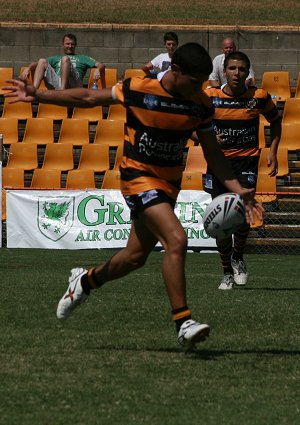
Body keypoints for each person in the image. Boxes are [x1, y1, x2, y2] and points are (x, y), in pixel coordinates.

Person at [3, 43, 263, 352]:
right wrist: (41, 95)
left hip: (168, 185)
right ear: (175, 72)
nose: (200, 87)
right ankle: (183, 323)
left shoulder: (200, 104)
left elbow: (213, 153)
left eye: (203, 81)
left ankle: (85, 281)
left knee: (135, 257)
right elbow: (88, 97)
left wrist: (238, 189)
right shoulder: (139, 88)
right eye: (195, 81)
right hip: (137, 177)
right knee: (176, 240)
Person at [204, 51, 281, 290]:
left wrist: (272, 151)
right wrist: (205, 137)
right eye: (233, 68)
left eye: (242, 69)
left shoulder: (258, 96)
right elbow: (188, 124)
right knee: (222, 220)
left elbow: (276, 122)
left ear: (248, 72)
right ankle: (227, 271)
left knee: (243, 212)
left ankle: (238, 256)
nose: (237, 73)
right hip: (218, 166)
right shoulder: (210, 97)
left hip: (246, 164)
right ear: (224, 71)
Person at [19, 33, 106, 90]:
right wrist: (28, 69)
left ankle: (62, 91)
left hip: (75, 85)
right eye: (67, 44)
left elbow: (101, 65)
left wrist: (98, 69)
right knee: (42, 61)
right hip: (58, 82)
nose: (70, 46)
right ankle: (34, 91)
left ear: (75, 45)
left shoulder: (82, 57)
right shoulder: (56, 58)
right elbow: (37, 64)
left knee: (65, 59)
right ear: (63, 45)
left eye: (72, 44)